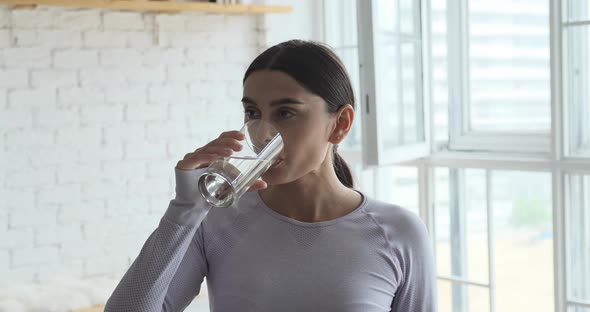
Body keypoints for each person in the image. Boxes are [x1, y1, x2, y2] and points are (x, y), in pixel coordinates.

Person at [104, 39, 437, 312]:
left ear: (340, 124)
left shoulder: (398, 233)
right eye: (253, 112)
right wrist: (184, 209)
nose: (263, 134)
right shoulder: (215, 221)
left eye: (286, 112)